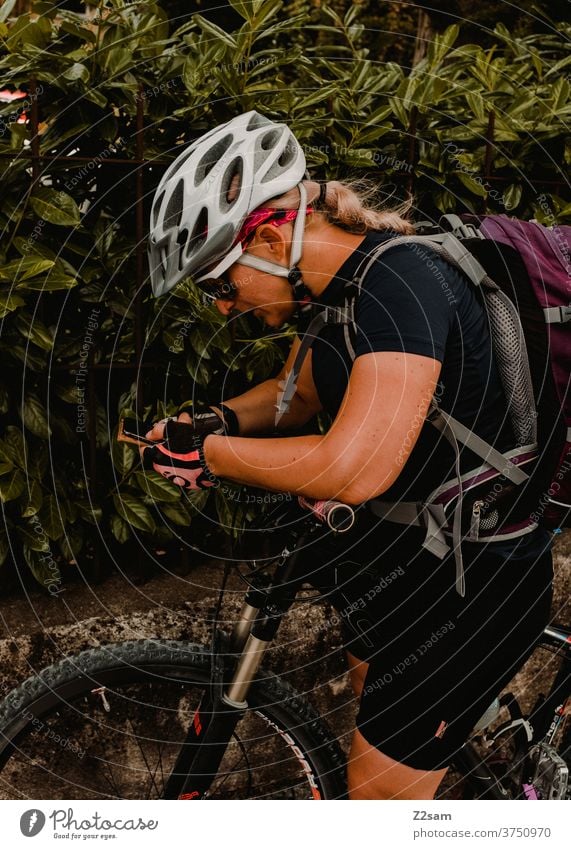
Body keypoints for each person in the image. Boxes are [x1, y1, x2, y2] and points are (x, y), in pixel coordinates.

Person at [145, 111, 553, 799]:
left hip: (474, 583)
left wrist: (213, 456)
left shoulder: (401, 283)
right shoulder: (341, 294)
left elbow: (355, 465)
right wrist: (209, 420)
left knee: (373, 816)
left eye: (218, 285)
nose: (219, 309)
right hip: (406, 562)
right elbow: (292, 397)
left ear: (270, 240)